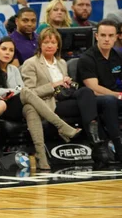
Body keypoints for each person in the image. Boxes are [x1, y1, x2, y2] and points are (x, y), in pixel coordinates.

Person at [21, 27, 111, 166]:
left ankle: (95, 140)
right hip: (49, 103)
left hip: (65, 98)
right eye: (46, 42)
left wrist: (68, 83)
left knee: (87, 94)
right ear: (40, 45)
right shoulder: (31, 63)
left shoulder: (62, 62)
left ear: (58, 45)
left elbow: (65, 87)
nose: (49, 45)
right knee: (88, 101)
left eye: (53, 42)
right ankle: (97, 142)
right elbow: (30, 93)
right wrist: (54, 84)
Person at [0, 36, 80, 170]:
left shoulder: (13, 69)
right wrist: (12, 91)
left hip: (14, 106)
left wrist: (14, 91)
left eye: (11, 50)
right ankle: (61, 126)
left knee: (30, 108)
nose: (7, 52)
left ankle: (41, 156)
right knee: (26, 92)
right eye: (4, 49)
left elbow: (20, 88)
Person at [77, 20, 122, 162]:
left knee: (113, 100)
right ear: (96, 36)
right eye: (103, 35)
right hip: (93, 100)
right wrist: (119, 95)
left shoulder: (118, 57)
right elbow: (93, 88)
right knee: (110, 101)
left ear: (116, 37)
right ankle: (118, 147)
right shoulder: (87, 58)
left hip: (116, 96)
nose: (107, 39)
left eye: (110, 35)